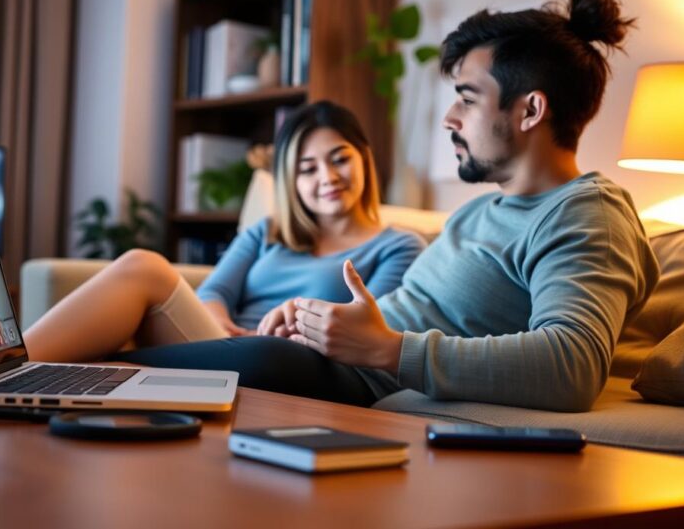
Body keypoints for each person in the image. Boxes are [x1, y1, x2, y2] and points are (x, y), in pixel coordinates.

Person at [103, 0, 660, 412]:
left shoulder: (587, 213)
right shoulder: (481, 213)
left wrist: (386, 351)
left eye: (467, 99)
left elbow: (574, 366)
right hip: (330, 361)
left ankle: (33, 375)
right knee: (117, 351)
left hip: (358, 380)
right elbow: (398, 314)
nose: (449, 118)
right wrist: (315, 319)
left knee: (111, 361)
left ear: (531, 110)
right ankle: (37, 376)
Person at [23, 101, 426, 368]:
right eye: (308, 169)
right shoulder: (266, 232)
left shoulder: (399, 246)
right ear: (290, 180)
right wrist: (218, 319)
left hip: (282, 361)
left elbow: (371, 332)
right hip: (221, 341)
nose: (328, 177)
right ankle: (9, 371)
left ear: (365, 161)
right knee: (138, 283)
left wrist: (267, 331)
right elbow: (213, 293)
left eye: (340, 160)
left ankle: (5, 366)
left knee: (145, 268)